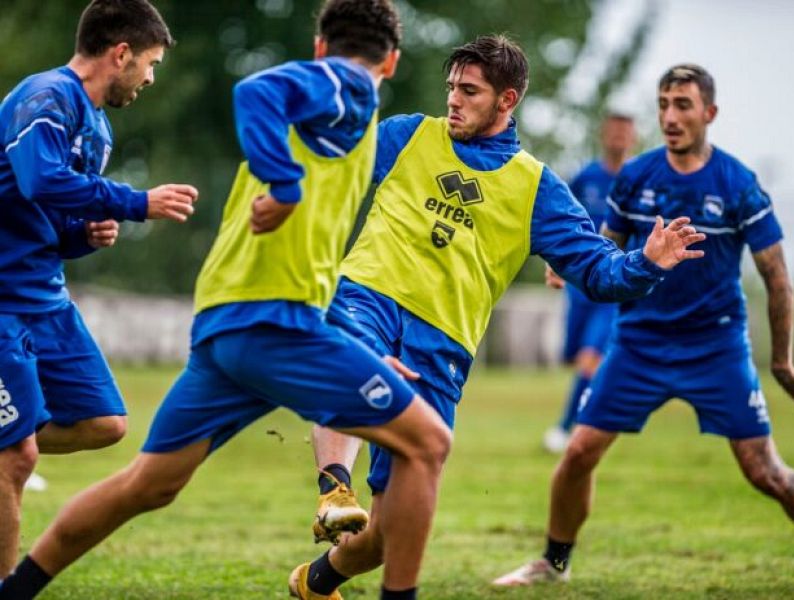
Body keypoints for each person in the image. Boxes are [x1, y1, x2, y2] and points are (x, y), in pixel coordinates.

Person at [0, 2, 457, 600]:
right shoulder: (349, 88)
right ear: (390, 60)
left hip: (231, 325)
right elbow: (258, 90)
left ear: (320, 44)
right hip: (274, 326)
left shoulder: (323, 125)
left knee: (145, 483)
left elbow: (309, 261)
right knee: (429, 442)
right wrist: (286, 187)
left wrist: (354, 346)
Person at [291, 37, 705, 600]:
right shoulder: (408, 134)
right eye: (451, 89)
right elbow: (330, 173)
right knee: (358, 364)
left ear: (506, 100)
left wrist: (646, 263)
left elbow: (599, 270)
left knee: (388, 535)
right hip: (368, 296)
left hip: (444, 344)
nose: (453, 101)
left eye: (469, 91)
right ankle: (334, 488)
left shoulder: (536, 188)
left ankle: (316, 582)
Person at [493, 63, 794, 587]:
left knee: (765, 472)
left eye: (683, 105)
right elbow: (602, 248)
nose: (670, 116)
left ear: (710, 112)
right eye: (662, 104)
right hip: (639, 344)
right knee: (577, 453)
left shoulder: (737, 184)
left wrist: (781, 362)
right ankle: (553, 563)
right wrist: (565, 264)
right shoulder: (636, 176)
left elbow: (777, 278)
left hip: (716, 347)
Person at [0, 0, 198, 580]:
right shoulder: (46, 97)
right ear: (121, 54)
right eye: (151, 63)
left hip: (46, 298)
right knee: (18, 457)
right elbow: (40, 177)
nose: (152, 77)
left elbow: (41, 215)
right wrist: (136, 203)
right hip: (3, 304)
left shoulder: (99, 128)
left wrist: (84, 234)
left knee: (104, 422)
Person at [542, 113, 637, 454]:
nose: (618, 138)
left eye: (625, 132)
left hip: (613, 285)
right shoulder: (586, 178)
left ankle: (567, 428)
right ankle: (603, 406)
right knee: (574, 357)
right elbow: (562, 224)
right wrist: (557, 261)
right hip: (579, 287)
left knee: (589, 358)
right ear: (603, 134)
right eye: (613, 131)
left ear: (634, 138)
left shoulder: (638, 180)